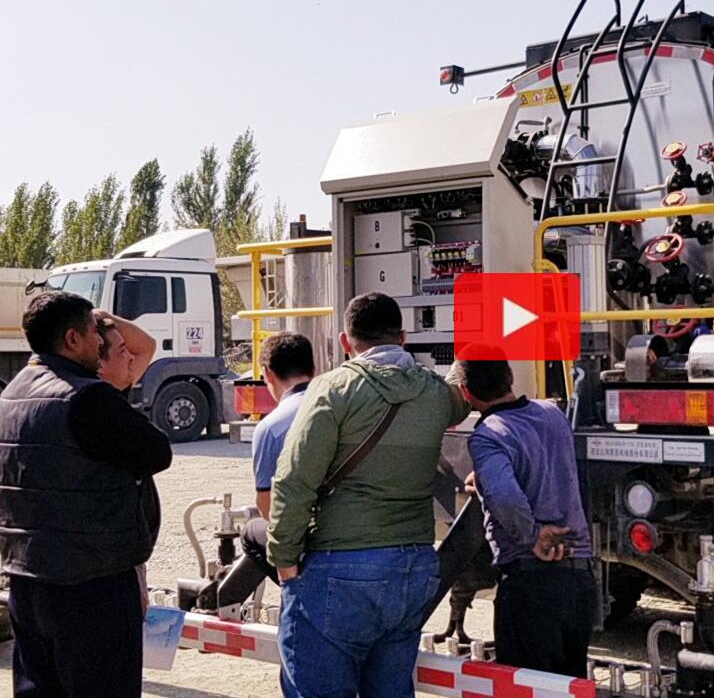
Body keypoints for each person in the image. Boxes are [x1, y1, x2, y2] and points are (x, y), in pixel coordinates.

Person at [268, 292, 469, 698]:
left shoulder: (331, 390)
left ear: (346, 342)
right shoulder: (434, 395)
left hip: (339, 569)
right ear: (404, 337)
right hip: (412, 569)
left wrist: (284, 560)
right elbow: (459, 392)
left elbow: (294, 480)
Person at [0, 291, 172, 697]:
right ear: (73, 339)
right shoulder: (86, 397)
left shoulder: (10, 397)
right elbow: (156, 452)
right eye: (96, 333)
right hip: (91, 586)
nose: (101, 342)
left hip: (27, 582)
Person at [454, 349, 597, 678]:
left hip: (532, 584)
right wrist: (487, 479)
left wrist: (532, 536)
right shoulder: (552, 414)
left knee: (528, 686)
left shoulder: (487, 436)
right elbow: (543, 463)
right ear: (510, 377)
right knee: (568, 685)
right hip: (580, 582)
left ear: (465, 392)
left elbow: (505, 495)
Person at [218, 332, 314, 606]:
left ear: (267, 374)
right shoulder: (340, 407)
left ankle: (294, 590)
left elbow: (268, 505)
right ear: (314, 368)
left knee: (252, 531)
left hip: (308, 541)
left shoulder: (271, 427)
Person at [94, 310, 159, 616]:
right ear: (98, 362)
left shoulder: (115, 391)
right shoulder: (92, 411)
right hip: (109, 560)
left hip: (129, 554)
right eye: (122, 352)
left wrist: (101, 317)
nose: (132, 358)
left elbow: (146, 345)